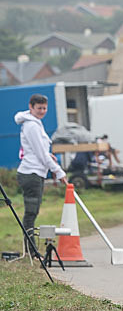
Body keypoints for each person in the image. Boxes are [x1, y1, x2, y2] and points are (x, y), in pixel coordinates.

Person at [14, 94, 68, 252]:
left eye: (45, 108)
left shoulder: (36, 123)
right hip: (30, 173)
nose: (42, 111)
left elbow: (39, 150)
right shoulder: (31, 125)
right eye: (39, 108)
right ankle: (31, 250)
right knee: (31, 212)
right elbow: (40, 153)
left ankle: (30, 249)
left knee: (33, 211)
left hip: (35, 172)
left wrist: (48, 155)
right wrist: (58, 172)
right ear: (31, 107)